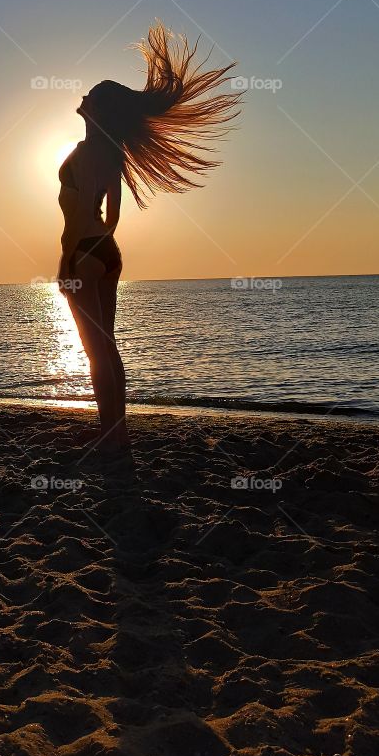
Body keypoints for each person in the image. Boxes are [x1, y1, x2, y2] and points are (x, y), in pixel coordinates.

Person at [57, 22, 241, 444]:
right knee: (108, 344)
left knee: (94, 349)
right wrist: (97, 244)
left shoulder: (86, 152)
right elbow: (113, 216)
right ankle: (116, 430)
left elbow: (81, 214)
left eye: (90, 95)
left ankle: (109, 432)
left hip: (84, 251)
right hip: (108, 252)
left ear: (98, 110)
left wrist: (69, 258)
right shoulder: (113, 152)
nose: (82, 98)